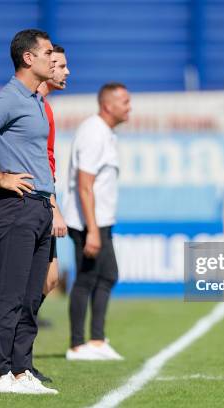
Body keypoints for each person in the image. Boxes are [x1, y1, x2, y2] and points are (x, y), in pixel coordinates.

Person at [0, 29, 58, 395]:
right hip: (16, 208)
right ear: (28, 58)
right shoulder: (10, 97)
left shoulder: (35, 100)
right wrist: (0, 176)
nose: (53, 59)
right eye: (48, 52)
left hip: (38, 207)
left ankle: (21, 371)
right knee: (11, 294)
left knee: (31, 295)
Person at [63, 82, 131, 361]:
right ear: (107, 105)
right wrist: (92, 229)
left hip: (100, 220)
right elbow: (84, 185)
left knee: (108, 275)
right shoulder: (93, 133)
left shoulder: (106, 133)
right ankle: (78, 345)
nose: (130, 107)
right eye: (124, 101)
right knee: (87, 279)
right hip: (87, 222)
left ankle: (97, 340)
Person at [34, 44, 70, 331]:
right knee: (36, 279)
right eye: (59, 65)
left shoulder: (46, 107)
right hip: (33, 202)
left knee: (50, 279)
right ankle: (16, 357)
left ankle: (21, 351)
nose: (66, 71)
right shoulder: (31, 106)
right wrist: (54, 208)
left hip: (45, 198)